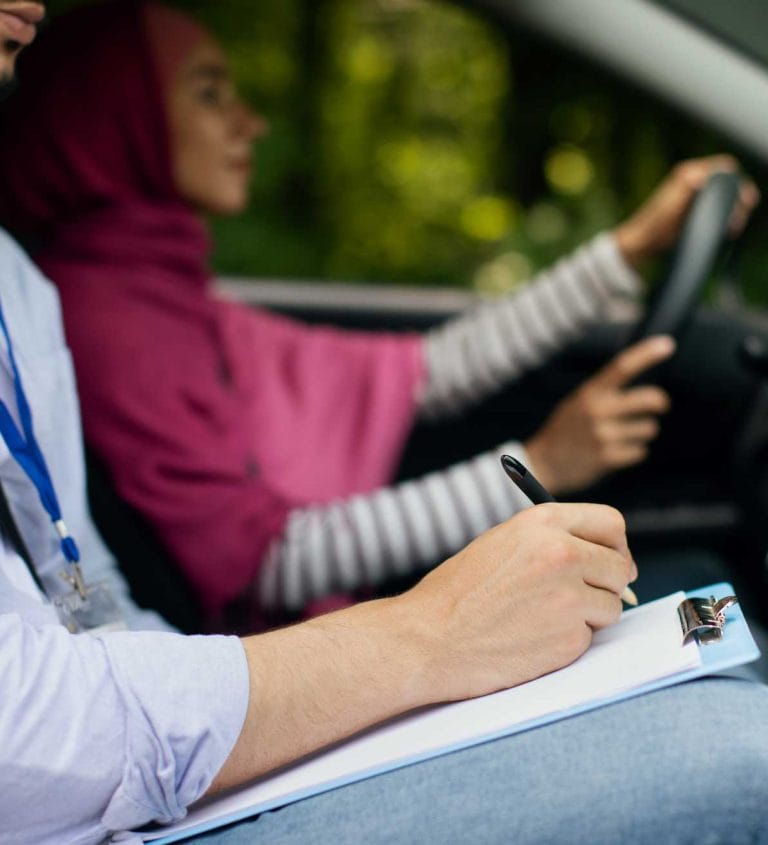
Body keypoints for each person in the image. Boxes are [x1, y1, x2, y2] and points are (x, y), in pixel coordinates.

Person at [1, 3, 768, 844]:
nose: (250, 120)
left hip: (170, 747)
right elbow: (268, 556)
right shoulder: (115, 315)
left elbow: (415, 373)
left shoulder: (110, 290)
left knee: (703, 617)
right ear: (114, 115)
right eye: (211, 93)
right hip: (137, 774)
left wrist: (618, 254)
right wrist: (522, 492)